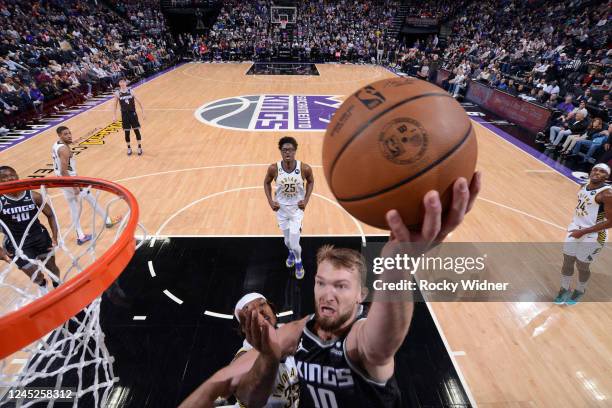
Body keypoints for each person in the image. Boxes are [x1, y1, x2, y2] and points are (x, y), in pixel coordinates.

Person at [190, 172, 481, 407]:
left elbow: (382, 343)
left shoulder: (360, 337)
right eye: (321, 283)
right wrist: (267, 355)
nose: (328, 293)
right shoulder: (296, 333)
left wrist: (399, 267)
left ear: (361, 296)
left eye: (341, 286)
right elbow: (232, 388)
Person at [179, 293, 300, 408]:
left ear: (273, 311)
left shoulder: (291, 333)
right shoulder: (244, 356)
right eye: (249, 311)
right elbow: (246, 391)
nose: (259, 310)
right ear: (244, 327)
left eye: (262, 304)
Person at [554, 163, 612, 305]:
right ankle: (564, 288)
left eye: (602, 171)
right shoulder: (582, 187)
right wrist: (578, 228)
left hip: (595, 235)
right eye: (595, 169)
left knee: (582, 265)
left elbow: (611, 222)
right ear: (591, 172)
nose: (597, 172)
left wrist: (583, 231)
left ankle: (580, 290)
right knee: (567, 261)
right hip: (576, 229)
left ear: (607, 176)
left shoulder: (607, 194)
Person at [52, 126, 118, 245]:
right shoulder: (64, 150)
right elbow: (63, 170)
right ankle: (81, 234)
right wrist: (74, 185)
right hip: (69, 179)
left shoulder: (56, 144)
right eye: (65, 134)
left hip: (63, 179)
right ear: (60, 136)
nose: (69, 135)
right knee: (78, 204)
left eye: (69, 133)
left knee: (86, 200)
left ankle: (106, 220)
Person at [0, 166, 60, 288]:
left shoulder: (33, 196)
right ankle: (42, 285)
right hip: (16, 243)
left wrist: (54, 236)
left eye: (12, 174)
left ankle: (57, 284)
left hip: (39, 237)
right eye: (4, 177)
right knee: (35, 275)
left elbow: (50, 215)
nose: (10, 178)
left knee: (52, 267)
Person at [264, 137, 314, 279]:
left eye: (290, 150)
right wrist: (270, 201)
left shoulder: (304, 168)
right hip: (281, 210)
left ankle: (299, 262)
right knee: (287, 242)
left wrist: (306, 200)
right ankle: (291, 253)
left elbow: (311, 182)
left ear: (295, 151)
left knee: (293, 242)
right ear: (280, 151)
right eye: (284, 150)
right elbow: (266, 183)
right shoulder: (274, 168)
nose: (288, 152)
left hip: (296, 210)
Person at [113, 78, 145, 156]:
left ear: (126, 83)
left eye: (124, 82)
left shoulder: (131, 91)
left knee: (136, 130)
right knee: (127, 132)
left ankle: (139, 147)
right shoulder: (117, 93)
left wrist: (143, 112)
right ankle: (129, 148)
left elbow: (139, 102)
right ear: (119, 83)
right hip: (124, 115)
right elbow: (115, 106)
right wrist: (114, 116)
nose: (122, 83)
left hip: (132, 113)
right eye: (121, 82)